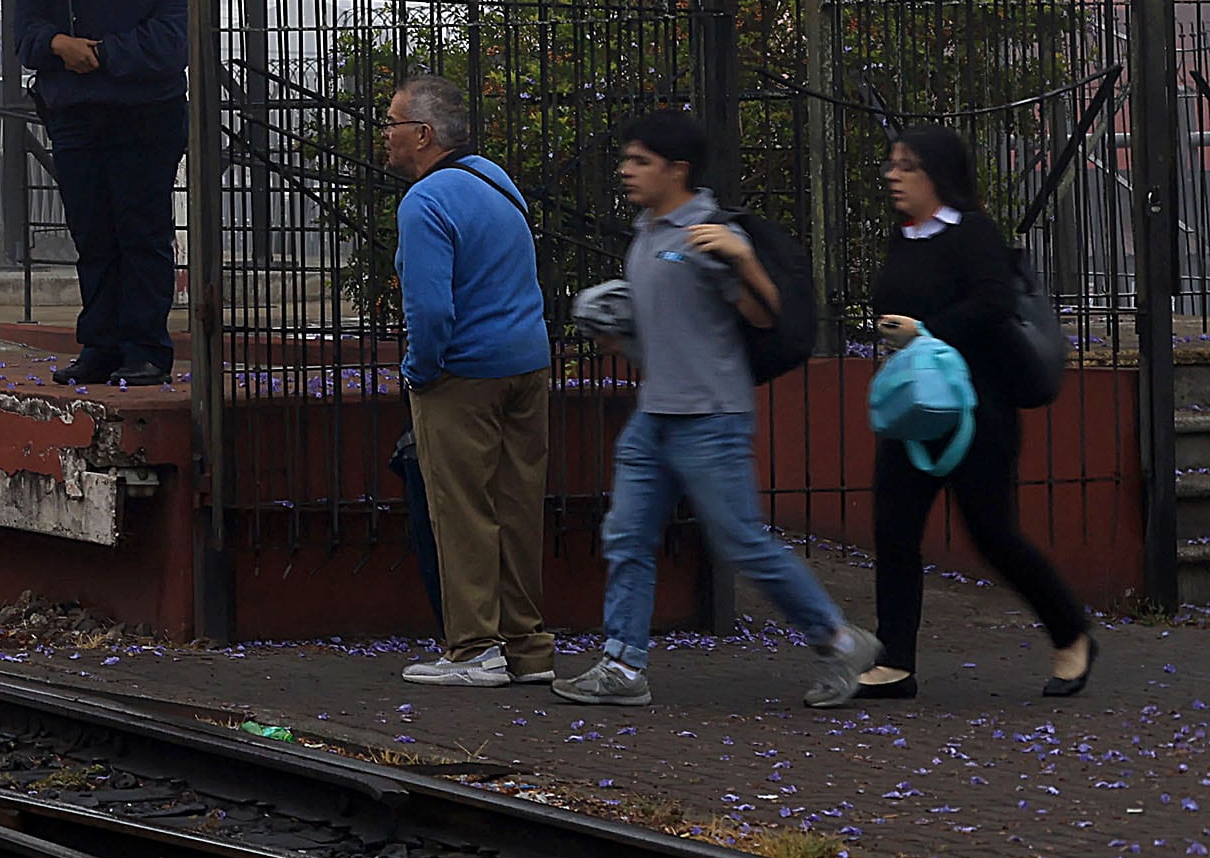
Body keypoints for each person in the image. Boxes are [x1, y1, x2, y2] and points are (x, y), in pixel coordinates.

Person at [558, 110, 874, 710]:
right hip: (656, 416)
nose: (625, 170)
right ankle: (623, 664)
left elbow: (765, 315)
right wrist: (616, 330)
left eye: (639, 161)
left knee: (741, 542)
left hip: (711, 419)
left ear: (678, 170)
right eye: (626, 159)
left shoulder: (707, 233)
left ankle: (838, 640)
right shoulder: (648, 232)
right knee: (627, 534)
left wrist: (742, 258)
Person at [858, 122, 1093, 702]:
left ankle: (1071, 632)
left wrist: (927, 330)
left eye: (906, 165)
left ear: (938, 174)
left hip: (976, 414)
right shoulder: (904, 236)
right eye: (891, 164)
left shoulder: (974, 233)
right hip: (916, 413)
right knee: (894, 530)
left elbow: (993, 304)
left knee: (992, 534)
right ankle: (896, 662)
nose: (893, 175)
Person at [382, 75, 555, 688]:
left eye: (394, 124)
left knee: (461, 512)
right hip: (527, 365)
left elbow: (430, 311)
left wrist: (418, 373)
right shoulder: (495, 179)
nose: (386, 137)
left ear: (423, 135)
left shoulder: (425, 202)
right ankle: (529, 648)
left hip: (463, 373)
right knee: (517, 507)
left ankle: (474, 647)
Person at [13, 0, 189, 386]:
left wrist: (104, 53)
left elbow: (170, 43)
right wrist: (57, 45)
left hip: (145, 121)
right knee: (93, 235)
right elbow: (25, 31)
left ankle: (147, 348)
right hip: (76, 122)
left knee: (142, 233)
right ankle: (100, 344)